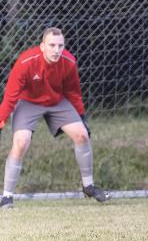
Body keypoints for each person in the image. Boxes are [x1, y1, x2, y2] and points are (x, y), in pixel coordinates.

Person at [0, 27, 110, 208]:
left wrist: (81, 117)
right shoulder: (26, 62)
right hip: (28, 102)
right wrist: (1, 120)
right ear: (42, 46)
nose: (56, 50)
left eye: (60, 45)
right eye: (52, 45)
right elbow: (10, 96)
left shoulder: (69, 61)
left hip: (57, 101)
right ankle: (7, 197)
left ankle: (88, 187)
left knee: (82, 134)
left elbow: (73, 92)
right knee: (21, 142)